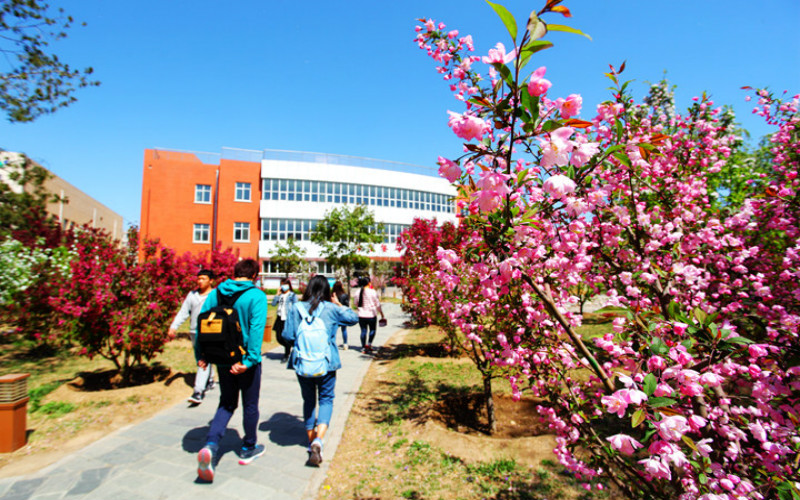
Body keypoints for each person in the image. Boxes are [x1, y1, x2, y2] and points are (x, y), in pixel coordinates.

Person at [195, 259, 268, 482]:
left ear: (234, 273)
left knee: (226, 403)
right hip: (244, 361)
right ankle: (249, 447)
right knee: (250, 404)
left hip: (222, 359)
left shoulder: (215, 293)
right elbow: (256, 330)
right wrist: (249, 360)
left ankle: (211, 444)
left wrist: (201, 355)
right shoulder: (256, 296)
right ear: (255, 275)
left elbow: (201, 325)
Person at [282, 275, 358, 466]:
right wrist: (338, 304)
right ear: (327, 291)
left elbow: (287, 335)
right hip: (327, 362)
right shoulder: (331, 309)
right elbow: (353, 318)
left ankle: (311, 440)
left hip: (303, 362)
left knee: (308, 400)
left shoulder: (296, 308)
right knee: (326, 399)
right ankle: (319, 440)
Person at [168, 269, 216, 404]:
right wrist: (173, 326)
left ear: (211, 281)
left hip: (209, 332)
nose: (200, 281)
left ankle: (198, 392)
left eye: (203, 279)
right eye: (198, 278)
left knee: (203, 360)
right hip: (194, 332)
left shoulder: (215, 295)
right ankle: (210, 380)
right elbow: (183, 312)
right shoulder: (192, 295)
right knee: (202, 358)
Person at [272, 277, 297, 363]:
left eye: (285, 284)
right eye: (282, 284)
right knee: (279, 337)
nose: (283, 286)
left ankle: (286, 354)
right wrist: (277, 294)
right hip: (279, 317)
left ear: (289, 285)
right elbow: (273, 304)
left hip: (287, 318)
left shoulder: (292, 295)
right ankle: (289, 347)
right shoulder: (280, 295)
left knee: (286, 336)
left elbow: (295, 306)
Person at [356, 276, 385, 353]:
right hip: (371, 315)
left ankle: (363, 347)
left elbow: (356, 303)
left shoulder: (358, 292)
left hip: (361, 315)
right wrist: (381, 313)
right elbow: (377, 304)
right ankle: (369, 344)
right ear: (369, 283)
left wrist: (359, 309)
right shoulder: (373, 292)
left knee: (363, 331)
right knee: (372, 330)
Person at [331, 281, 350, 350]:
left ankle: (332, 342)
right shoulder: (344, 295)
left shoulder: (332, 295)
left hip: (334, 313)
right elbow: (347, 305)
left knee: (333, 329)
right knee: (344, 329)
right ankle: (345, 343)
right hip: (342, 313)